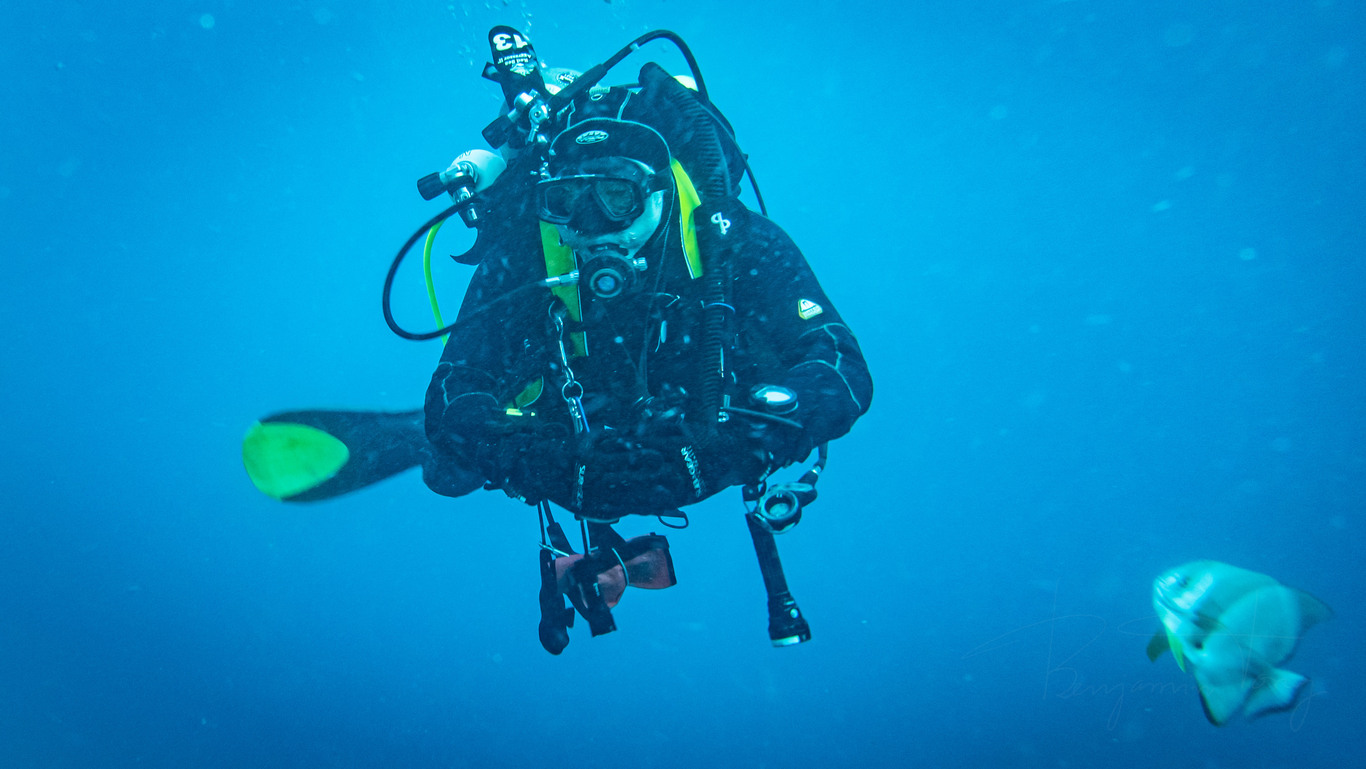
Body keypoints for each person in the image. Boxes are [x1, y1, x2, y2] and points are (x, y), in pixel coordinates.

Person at [422, 115, 872, 526]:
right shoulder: (525, 256)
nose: (592, 222)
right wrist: (539, 465)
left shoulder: (734, 243)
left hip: (710, 418)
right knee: (446, 468)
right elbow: (452, 388)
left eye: (617, 195)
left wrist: (726, 453)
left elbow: (839, 364)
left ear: (659, 191)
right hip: (567, 426)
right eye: (567, 200)